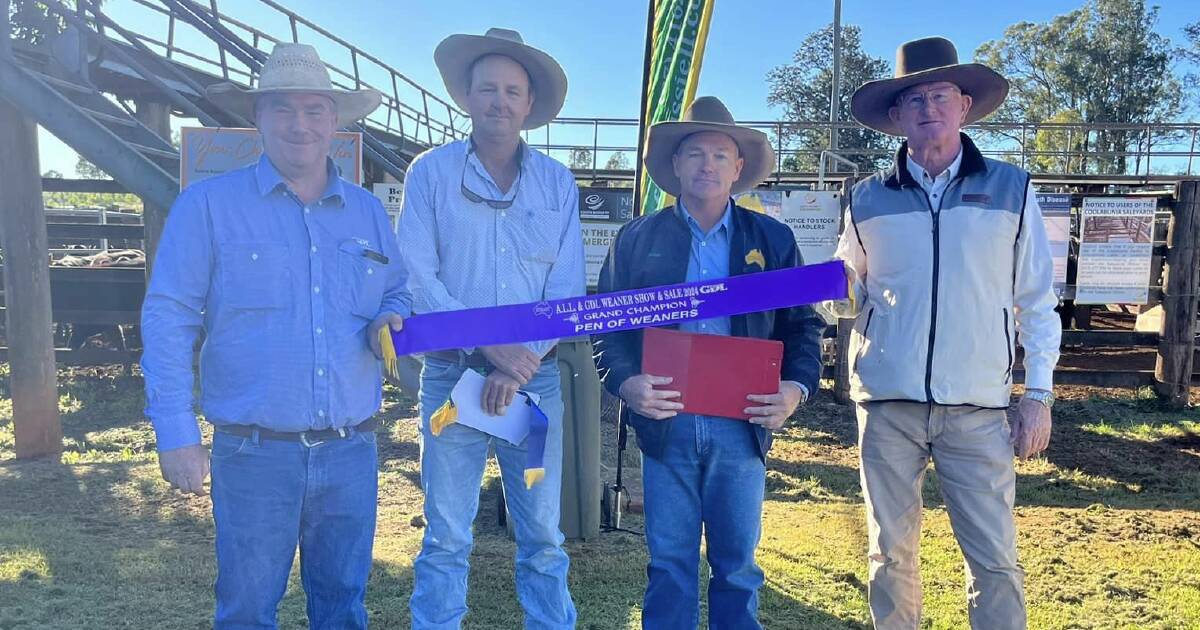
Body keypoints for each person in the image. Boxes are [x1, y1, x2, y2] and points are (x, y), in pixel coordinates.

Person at [140, 43, 409, 628]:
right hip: (251, 452)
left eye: (315, 109)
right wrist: (175, 432)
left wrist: (391, 319)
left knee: (342, 608)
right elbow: (168, 319)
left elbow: (397, 293)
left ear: (335, 123)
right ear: (257, 118)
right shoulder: (207, 207)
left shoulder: (367, 213)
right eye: (282, 108)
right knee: (247, 612)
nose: (300, 124)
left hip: (351, 448)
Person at [828, 36, 1062, 630]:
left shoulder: (1013, 188)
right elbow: (846, 289)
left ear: (963, 105)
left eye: (939, 95)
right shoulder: (866, 198)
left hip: (980, 410)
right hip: (886, 406)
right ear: (897, 116)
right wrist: (831, 292)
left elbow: (1035, 298)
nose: (927, 107)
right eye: (913, 98)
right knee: (888, 552)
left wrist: (1037, 396)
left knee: (994, 558)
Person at [593, 96, 825, 629]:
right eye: (696, 153)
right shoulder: (636, 238)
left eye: (721, 155)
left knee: (738, 567)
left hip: (741, 424)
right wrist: (626, 382)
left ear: (739, 168)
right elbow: (609, 328)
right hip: (665, 424)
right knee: (669, 563)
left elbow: (802, 326)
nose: (707, 165)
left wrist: (795, 389)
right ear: (676, 164)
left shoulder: (772, 239)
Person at [397, 28, 584, 629]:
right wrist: (487, 350)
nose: (499, 101)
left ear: (529, 104)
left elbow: (567, 288)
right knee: (446, 533)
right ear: (466, 97)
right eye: (487, 89)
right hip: (453, 381)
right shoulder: (430, 173)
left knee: (543, 535)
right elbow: (416, 276)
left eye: (512, 90)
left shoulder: (557, 182)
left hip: (532, 389)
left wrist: (516, 361)